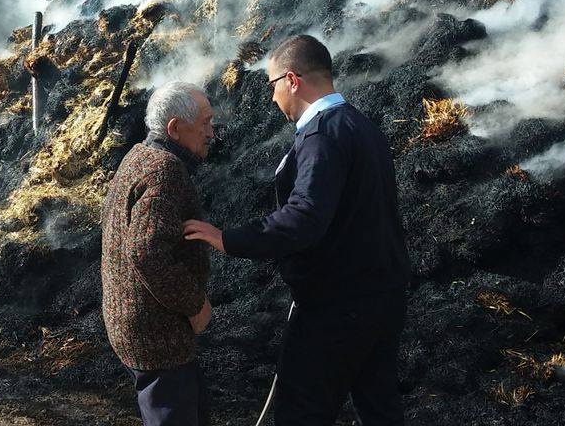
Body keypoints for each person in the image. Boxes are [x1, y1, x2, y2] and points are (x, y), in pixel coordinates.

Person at [183, 35, 410, 426]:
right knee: (380, 410)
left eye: (271, 85)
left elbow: (305, 216)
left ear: (292, 80)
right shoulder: (361, 125)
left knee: (300, 412)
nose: (271, 98)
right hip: (382, 295)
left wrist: (229, 238)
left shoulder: (321, 134)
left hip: (337, 304)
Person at [101, 81, 216, 426]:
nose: (212, 132)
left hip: (136, 322)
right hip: (157, 333)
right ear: (175, 128)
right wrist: (195, 303)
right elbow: (146, 253)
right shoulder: (164, 171)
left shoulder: (138, 156)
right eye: (206, 123)